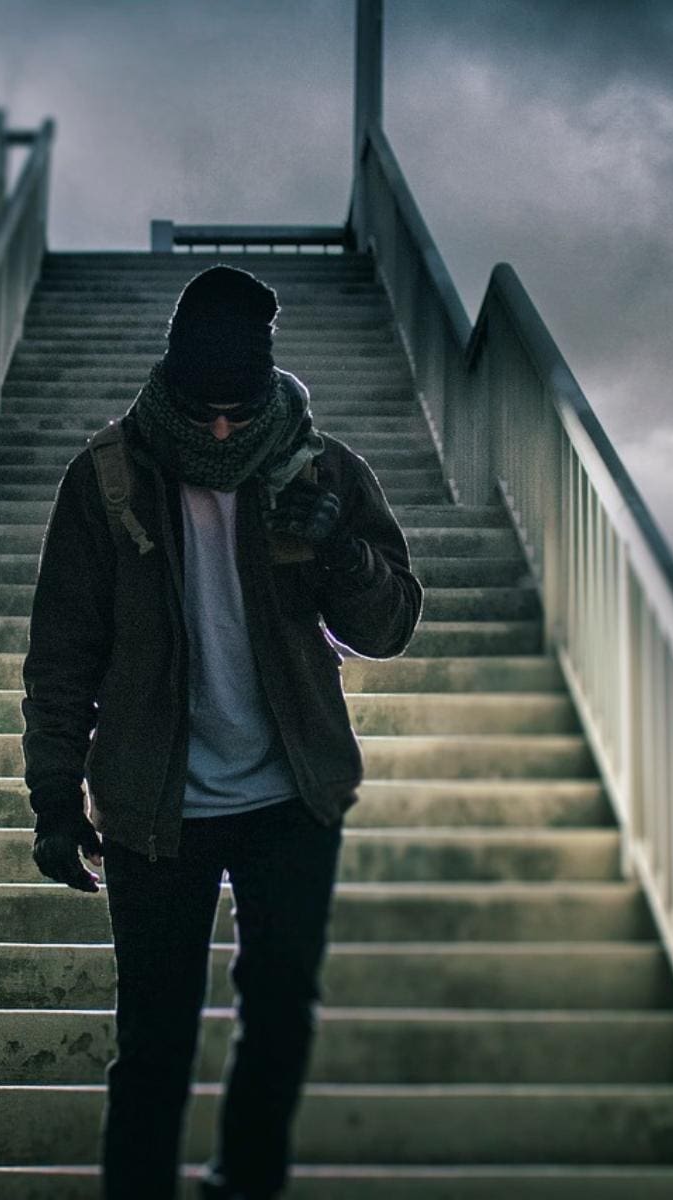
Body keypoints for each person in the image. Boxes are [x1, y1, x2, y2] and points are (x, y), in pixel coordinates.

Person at [21, 264, 423, 1200]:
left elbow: (390, 626)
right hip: (156, 807)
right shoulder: (108, 479)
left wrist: (339, 550)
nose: (218, 432)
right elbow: (62, 652)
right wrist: (51, 796)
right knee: (154, 1044)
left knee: (280, 1021)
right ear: (169, 380)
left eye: (237, 412)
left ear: (265, 387)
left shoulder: (322, 469)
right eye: (202, 410)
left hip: (293, 796)